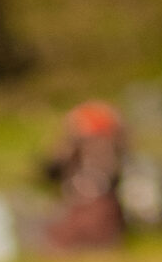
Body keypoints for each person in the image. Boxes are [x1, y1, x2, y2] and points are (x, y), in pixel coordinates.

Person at [43, 100, 127, 250]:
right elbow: (50, 172)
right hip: (80, 212)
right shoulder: (75, 150)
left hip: (95, 213)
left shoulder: (101, 149)